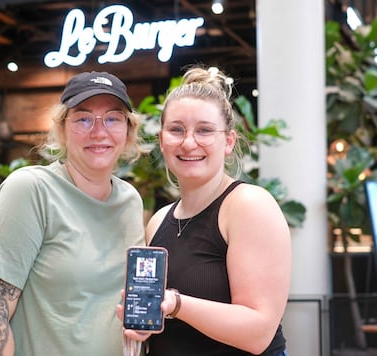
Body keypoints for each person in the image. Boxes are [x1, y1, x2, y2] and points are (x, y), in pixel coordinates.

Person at [0, 71, 145, 356]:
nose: (99, 132)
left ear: (128, 130)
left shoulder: (130, 201)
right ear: (61, 129)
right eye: (83, 118)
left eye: (112, 118)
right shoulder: (31, 189)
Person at [120, 66, 291, 355]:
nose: (188, 142)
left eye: (204, 130)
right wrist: (145, 321)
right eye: (176, 130)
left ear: (228, 141)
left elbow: (258, 332)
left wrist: (175, 304)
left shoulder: (248, 205)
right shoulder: (159, 220)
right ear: (161, 141)